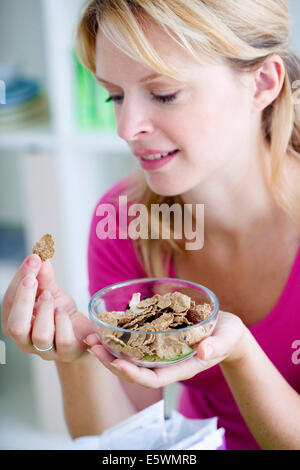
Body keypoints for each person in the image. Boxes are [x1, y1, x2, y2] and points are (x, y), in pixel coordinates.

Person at [2, 0, 300, 450]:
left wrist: (239, 353)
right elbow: (126, 444)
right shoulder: (124, 219)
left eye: (164, 94)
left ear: (262, 82)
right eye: (115, 96)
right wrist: (76, 353)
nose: (126, 127)